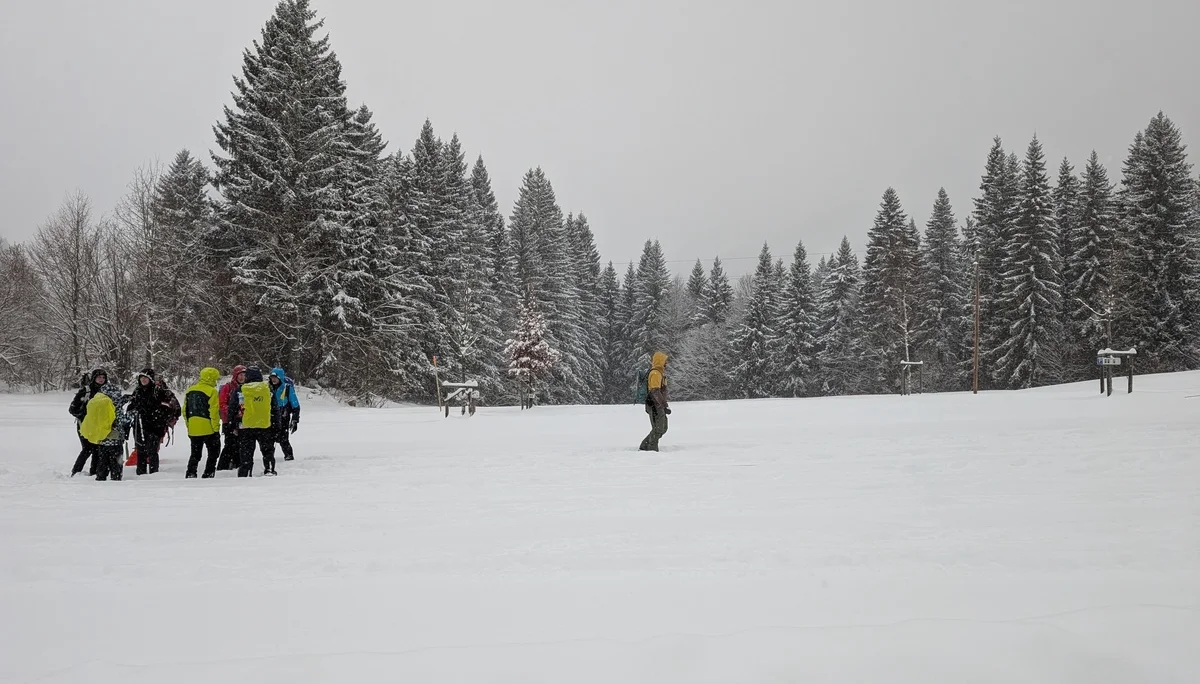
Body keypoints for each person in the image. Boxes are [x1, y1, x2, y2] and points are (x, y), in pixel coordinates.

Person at [78, 370, 132, 481]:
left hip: (102, 439)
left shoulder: (98, 403)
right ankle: (115, 478)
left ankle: (100, 477)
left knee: (102, 461)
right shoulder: (114, 407)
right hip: (115, 439)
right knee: (116, 463)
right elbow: (121, 420)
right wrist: (131, 415)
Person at [226, 366, 275, 477]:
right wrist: (276, 424)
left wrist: (232, 424)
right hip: (264, 425)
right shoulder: (267, 388)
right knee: (267, 450)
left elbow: (232, 408)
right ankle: (269, 469)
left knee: (246, 452)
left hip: (246, 425)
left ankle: (245, 472)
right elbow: (274, 408)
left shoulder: (241, 389)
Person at [126, 368, 175, 475]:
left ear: (150, 379)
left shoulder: (158, 391)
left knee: (152, 451)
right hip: (139, 426)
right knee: (140, 451)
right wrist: (133, 409)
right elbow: (132, 406)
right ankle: (141, 473)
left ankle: (154, 474)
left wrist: (157, 415)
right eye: (141, 378)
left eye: (146, 378)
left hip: (154, 426)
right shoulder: (137, 391)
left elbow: (168, 407)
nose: (143, 380)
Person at [183, 367, 223, 478]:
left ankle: (191, 472)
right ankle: (208, 473)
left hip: (193, 428)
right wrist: (216, 428)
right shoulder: (212, 391)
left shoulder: (190, 390)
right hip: (208, 428)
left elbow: (184, 410)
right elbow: (214, 412)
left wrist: (189, 425)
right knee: (214, 452)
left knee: (195, 453)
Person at [216, 365, 247, 471]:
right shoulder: (228, 387)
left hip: (243, 421)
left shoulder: (247, 387)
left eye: (244, 375)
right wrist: (233, 412)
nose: (242, 377)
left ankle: (237, 464)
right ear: (235, 376)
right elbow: (221, 404)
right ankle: (222, 467)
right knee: (230, 444)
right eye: (240, 375)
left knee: (241, 444)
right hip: (229, 420)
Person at [638, 352, 671, 452]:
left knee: (663, 428)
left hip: (658, 405)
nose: (666, 363)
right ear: (660, 361)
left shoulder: (660, 373)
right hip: (654, 405)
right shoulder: (655, 373)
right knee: (658, 428)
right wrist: (664, 405)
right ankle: (651, 449)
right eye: (665, 361)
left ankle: (644, 446)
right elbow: (655, 391)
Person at [68, 371, 99, 476]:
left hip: (98, 425)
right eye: (99, 377)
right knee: (87, 448)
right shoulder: (86, 391)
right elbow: (72, 409)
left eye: (103, 377)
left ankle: (94, 472)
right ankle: (76, 472)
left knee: (97, 448)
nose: (101, 380)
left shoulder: (106, 391)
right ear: (93, 378)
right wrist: (84, 415)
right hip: (84, 425)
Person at [268, 367, 300, 461]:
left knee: (283, 439)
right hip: (270, 417)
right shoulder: (267, 388)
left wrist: (295, 420)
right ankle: (269, 457)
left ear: (280, 378)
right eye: (272, 377)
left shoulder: (287, 388)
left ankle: (289, 456)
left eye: (275, 377)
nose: (273, 379)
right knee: (269, 439)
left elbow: (295, 405)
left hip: (283, 417)